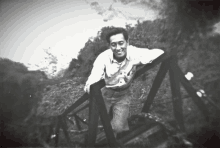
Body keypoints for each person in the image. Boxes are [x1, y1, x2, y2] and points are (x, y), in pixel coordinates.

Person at [84, 27, 164, 135]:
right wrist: (93, 89)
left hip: (122, 94)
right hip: (104, 94)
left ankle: (116, 135)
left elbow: (159, 52)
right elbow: (92, 79)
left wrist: (135, 62)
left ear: (127, 42)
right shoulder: (103, 58)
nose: (118, 48)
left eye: (121, 43)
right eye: (113, 44)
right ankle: (102, 139)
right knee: (95, 125)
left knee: (118, 128)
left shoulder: (133, 51)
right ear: (109, 46)